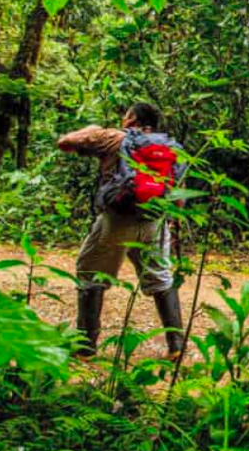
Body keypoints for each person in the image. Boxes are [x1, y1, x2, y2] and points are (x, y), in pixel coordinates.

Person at [56, 103, 183, 361]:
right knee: (161, 278)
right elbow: (178, 195)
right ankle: (176, 345)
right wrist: (172, 225)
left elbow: (65, 142)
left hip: (116, 220)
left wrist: (92, 129)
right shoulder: (169, 146)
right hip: (155, 220)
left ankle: (85, 348)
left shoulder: (113, 137)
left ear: (132, 119)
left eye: (126, 116)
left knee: (90, 273)